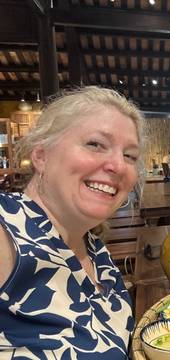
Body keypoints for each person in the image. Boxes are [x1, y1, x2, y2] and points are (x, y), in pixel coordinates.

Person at [0, 87, 144, 358]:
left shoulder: (95, 250)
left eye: (130, 156)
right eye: (95, 144)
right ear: (41, 155)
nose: (118, 165)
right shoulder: (7, 228)